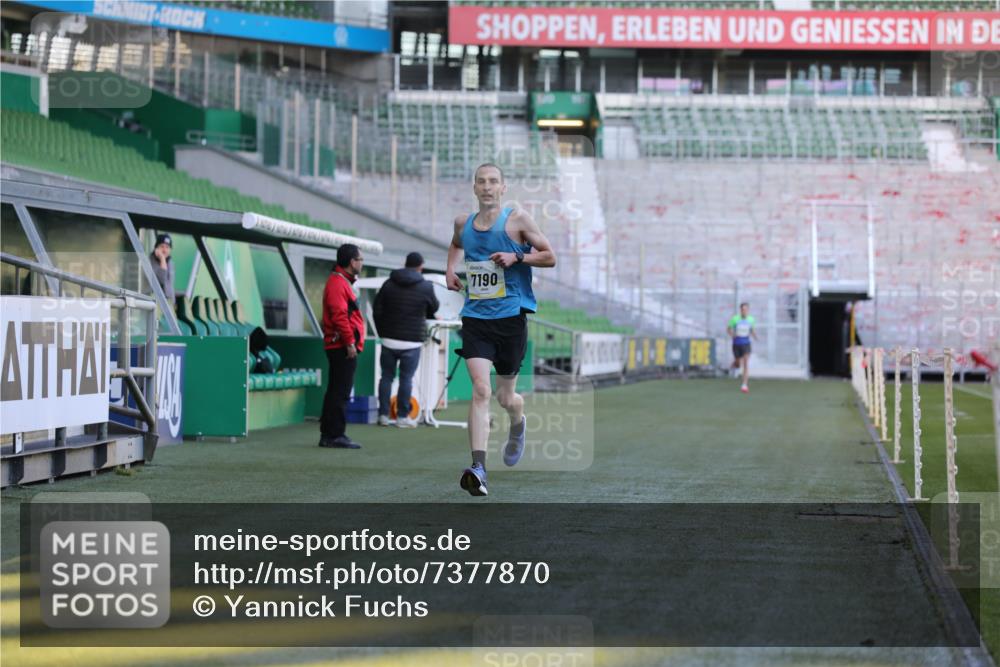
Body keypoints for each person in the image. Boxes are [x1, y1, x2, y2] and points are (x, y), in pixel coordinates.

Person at [446, 163, 556, 496]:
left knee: (505, 396)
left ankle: (518, 423)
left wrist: (517, 258)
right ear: (475, 187)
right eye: (481, 182)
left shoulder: (517, 220)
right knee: (480, 390)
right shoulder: (463, 223)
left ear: (503, 188)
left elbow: (550, 256)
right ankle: (478, 467)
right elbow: (455, 245)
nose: (487, 187)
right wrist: (450, 270)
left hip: (510, 319)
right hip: (476, 318)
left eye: (493, 182)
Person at [373, 252, 440, 428]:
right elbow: (434, 307)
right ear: (420, 266)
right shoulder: (426, 286)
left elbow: (377, 309)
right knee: (406, 379)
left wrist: (382, 332)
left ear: (405, 264)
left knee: (386, 377)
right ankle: (402, 417)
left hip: (388, 339)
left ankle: (383, 416)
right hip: (412, 341)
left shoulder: (388, 283)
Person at [319, 244, 366, 449]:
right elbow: (339, 316)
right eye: (360, 259)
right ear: (351, 262)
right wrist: (349, 343)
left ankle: (329, 434)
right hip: (341, 345)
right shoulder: (338, 283)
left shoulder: (340, 281)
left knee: (336, 390)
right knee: (340, 391)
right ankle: (334, 435)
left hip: (339, 344)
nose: (362, 263)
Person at [727, 302, 758, 394]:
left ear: (748, 310)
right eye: (742, 309)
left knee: (745, 363)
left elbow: (752, 330)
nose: (744, 311)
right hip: (736, 343)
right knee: (738, 364)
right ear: (740, 310)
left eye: (746, 309)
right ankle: (734, 364)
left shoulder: (751, 319)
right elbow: (728, 329)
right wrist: (732, 335)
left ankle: (744, 385)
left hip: (746, 343)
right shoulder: (735, 319)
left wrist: (755, 336)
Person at [150, 233, 175, 306]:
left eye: (167, 247)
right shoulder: (151, 261)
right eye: (162, 246)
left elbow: (170, 285)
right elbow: (161, 280)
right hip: (157, 305)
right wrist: (162, 259)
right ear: (156, 248)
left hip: (169, 304)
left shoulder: (170, 262)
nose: (164, 250)